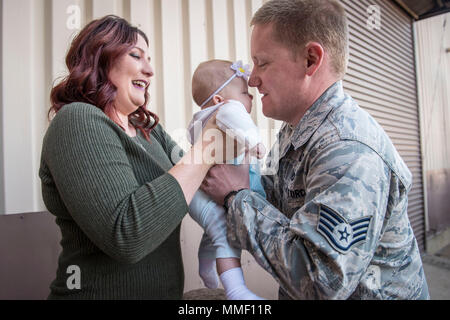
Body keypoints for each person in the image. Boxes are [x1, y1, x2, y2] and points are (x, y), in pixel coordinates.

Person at [201, 0, 430, 300]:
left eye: (263, 63)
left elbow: (320, 281)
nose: (252, 79)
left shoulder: (348, 149)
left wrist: (235, 197)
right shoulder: (297, 129)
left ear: (310, 59)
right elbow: (273, 203)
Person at [39, 15, 218, 299]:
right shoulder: (77, 121)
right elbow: (127, 236)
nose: (149, 70)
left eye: (149, 59)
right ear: (101, 58)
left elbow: (200, 180)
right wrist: (209, 145)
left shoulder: (150, 130)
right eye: (136, 55)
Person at [187, 59, 265, 300]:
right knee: (224, 233)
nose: (250, 97)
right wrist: (255, 142)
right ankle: (236, 291)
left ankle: (205, 266)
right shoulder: (225, 111)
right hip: (207, 194)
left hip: (200, 196)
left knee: (215, 233)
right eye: (244, 92)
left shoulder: (202, 120)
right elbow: (234, 114)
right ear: (219, 100)